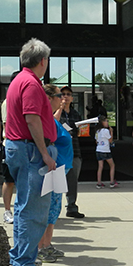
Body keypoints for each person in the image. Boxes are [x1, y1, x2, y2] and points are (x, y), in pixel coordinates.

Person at [5, 38, 57, 266]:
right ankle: (24, 264)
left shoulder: (19, 80)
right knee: (34, 209)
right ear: (43, 61)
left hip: (20, 149)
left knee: (24, 206)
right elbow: (32, 119)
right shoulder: (32, 84)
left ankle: (20, 259)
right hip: (31, 151)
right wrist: (45, 153)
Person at [37, 84, 73, 264]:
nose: (62, 98)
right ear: (49, 98)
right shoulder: (45, 120)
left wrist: (59, 108)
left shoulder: (52, 119)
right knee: (49, 209)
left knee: (55, 209)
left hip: (60, 170)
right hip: (54, 170)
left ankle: (47, 245)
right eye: (59, 95)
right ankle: (41, 247)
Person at [57, 85, 84, 218]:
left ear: (72, 98)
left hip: (74, 150)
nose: (65, 97)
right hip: (59, 152)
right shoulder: (56, 112)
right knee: (56, 181)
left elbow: (79, 131)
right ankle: (54, 210)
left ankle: (72, 207)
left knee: (72, 181)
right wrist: (60, 108)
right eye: (63, 94)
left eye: (68, 94)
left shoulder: (75, 114)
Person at [0, 71, 19, 224]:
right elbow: (8, 125)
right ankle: (7, 210)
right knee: (9, 180)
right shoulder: (8, 102)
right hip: (11, 144)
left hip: (23, 145)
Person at [95, 114, 118, 188]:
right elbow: (110, 140)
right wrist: (111, 132)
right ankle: (111, 181)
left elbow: (96, 141)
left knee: (100, 167)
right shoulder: (105, 131)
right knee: (112, 165)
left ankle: (99, 182)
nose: (107, 122)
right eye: (106, 121)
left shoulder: (97, 131)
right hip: (105, 150)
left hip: (98, 149)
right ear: (102, 122)